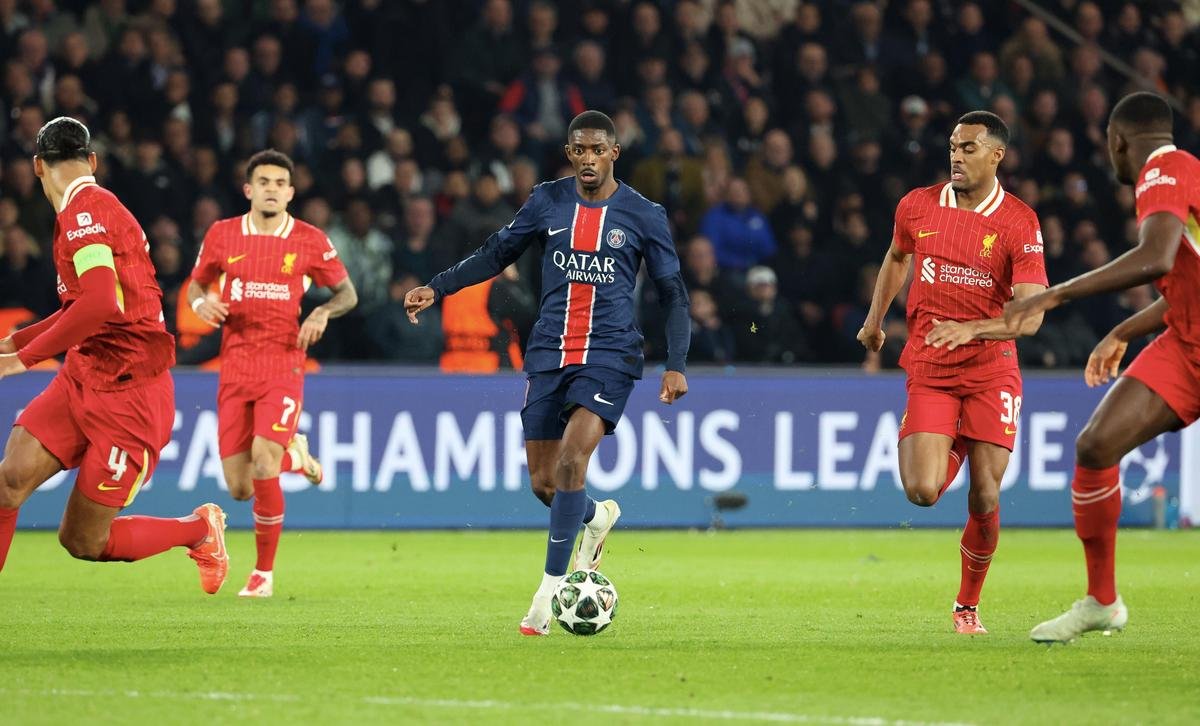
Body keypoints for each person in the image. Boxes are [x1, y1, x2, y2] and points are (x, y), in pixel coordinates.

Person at [405, 111, 690, 636]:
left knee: (572, 460)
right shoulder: (547, 201)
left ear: (613, 154)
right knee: (544, 483)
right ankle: (595, 519)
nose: (587, 159)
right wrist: (439, 287)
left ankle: (548, 592)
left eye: (596, 150)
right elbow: (497, 253)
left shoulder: (644, 214)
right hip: (549, 352)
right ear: (569, 152)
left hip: (609, 354)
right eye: (578, 150)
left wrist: (675, 364)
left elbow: (673, 293)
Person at [0, 117, 228, 592]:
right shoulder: (90, 207)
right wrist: (15, 342)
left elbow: (103, 303)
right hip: (84, 374)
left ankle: (199, 530)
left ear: (38, 166)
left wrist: (23, 361)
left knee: (82, 540)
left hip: (130, 399)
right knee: (9, 482)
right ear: (93, 161)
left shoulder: (83, 213)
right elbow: (82, 306)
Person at [1005, 92, 1200, 643]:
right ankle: (1101, 600)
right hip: (1187, 343)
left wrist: (1055, 294)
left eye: (1107, 147)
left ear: (1118, 141)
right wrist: (1122, 330)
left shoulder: (1166, 169)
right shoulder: (1187, 174)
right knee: (1095, 447)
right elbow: (1184, 282)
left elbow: (1155, 258)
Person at [858, 111, 1048, 634]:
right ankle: (954, 438)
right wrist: (875, 322)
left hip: (991, 371)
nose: (956, 156)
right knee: (922, 491)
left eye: (968, 148)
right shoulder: (917, 205)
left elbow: (1031, 315)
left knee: (985, 494)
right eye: (952, 147)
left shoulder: (1018, 221)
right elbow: (897, 256)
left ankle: (967, 605)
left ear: (996, 155)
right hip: (932, 367)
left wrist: (974, 330)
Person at [188, 149, 358, 598]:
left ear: (290, 192)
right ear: (248, 189)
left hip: (283, 364)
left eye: (280, 183)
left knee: (264, 460)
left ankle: (262, 575)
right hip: (234, 369)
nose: (271, 189)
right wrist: (199, 303)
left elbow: (347, 294)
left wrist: (322, 312)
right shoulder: (223, 235)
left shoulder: (308, 239)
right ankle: (296, 458)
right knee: (241, 487)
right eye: (263, 181)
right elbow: (196, 284)